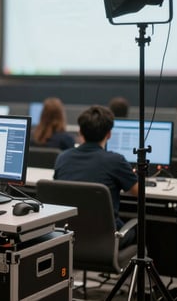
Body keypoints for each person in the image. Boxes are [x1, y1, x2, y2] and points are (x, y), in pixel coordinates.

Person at [54, 105, 138, 248]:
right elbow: (139, 193)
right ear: (109, 134)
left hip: (68, 237)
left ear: (80, 132)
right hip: (106, 241)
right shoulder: (115, 161)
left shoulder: (62, 158)